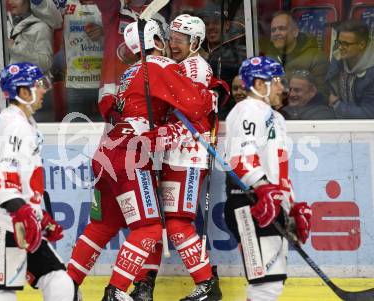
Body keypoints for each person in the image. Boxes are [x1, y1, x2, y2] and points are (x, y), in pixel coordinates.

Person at [67, 19, 214, 301]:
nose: (170, 44)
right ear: (157, 40)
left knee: (102, 226)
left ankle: (68, 286)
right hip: (131, 156)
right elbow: (197, 104)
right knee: (148, 227)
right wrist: (212, 94)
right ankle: (116, 290)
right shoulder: (160, 66)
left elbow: (109, 106)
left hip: (106, 153)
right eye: (166, 38)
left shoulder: (130, 72)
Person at [130, 14, 224, 301]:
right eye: (171, 39)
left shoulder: (196, 67)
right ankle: (145, 284)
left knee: (177, 223)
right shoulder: (177, 66)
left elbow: (195, 115)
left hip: (188, 155)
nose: (173, 45)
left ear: (195, 42)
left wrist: (159, 137)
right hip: (170, 155)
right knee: (154, 223)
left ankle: (207, 283)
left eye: (180, 40)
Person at [0, 62, 77, 301]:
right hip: (2, 217)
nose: (44, 90)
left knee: (52, 277)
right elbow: (7, 176)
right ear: (23, 93)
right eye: (38, 85)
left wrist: (37, 214)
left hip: (2, 214)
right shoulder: (16, 125)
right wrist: (23, 212)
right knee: (11, 284)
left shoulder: (15, 121)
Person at [224, 56, 312, 301]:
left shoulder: (277, 118)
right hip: (250, 203)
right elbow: (240, 160)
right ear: (259, 85)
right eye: (277, 82)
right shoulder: (247, 110)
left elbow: (280, 170)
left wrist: (290, 206)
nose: (283, 88)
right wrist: (264, 189)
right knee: (265, 286)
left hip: (269, 202)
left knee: (271, 285)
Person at [263, 11, 329, 96]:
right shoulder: (269, 58)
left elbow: (321, 96)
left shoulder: (316, 58)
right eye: (273, 30)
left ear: (295, 32)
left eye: (282, 28)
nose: (276, 33)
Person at [199, 2, 247, 118]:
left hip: (230, 115)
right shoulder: (199, 52)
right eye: (207, 24)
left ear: (226, 25)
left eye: (215, 22)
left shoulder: (238, 53)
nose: (210, 27)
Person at [326, 20, 374, 119]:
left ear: (361, 45)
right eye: (339, 42)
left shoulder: (371, 73)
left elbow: (369, 113)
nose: (340, 47)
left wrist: (337, 104)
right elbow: (328, 90)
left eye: (346, 44)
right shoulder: (338, 57)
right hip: (338, 118)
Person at [7, 0, 54, 74]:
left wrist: (16, 48)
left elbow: (46, 64)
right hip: (8, 81)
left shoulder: (40, 27)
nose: (10, 2)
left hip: (31, 83)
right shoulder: (4, 24)